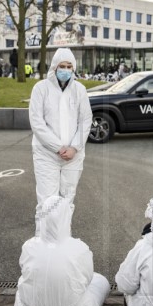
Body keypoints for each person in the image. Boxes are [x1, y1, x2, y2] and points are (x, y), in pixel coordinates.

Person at [12, 196, 110, 306]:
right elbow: (87, 280)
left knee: (23, 282)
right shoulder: (79, 248)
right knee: (100, 280)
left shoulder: (29, 246)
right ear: (67, 218)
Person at [28, 48, 92, 222]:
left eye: (69, 66)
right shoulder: (41, 88)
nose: (65, 69)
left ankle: (64, 242)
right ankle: (43, 244)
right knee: (46, 203)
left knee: (67, 201)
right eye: (62, 66)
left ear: (74, 68)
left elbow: (85, 120)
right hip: (46, 155)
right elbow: (37, 122)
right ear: (54, 67)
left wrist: (74, 147)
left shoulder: (79, 90)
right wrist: (58, 147)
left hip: (74, 156)